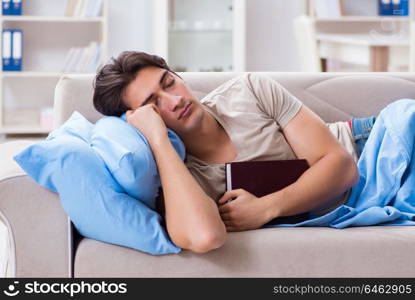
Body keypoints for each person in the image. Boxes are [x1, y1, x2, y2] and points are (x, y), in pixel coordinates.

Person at [93, 51, 373, 253]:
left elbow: (342, 166)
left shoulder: (250, 90)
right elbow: (204, 237)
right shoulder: (178, 176)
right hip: (352, 199)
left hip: (368, 146)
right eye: (154, 105)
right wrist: (158, 140)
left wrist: (265, 208)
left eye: (169, 83)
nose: (176, 100)